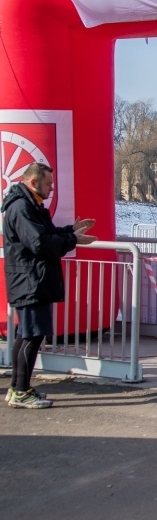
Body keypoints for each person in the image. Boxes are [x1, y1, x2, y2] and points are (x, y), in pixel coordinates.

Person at [2, 162, 97, 409]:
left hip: (32, 278)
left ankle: (18, 388)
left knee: (27, 335)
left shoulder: (30, 205)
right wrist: (72, 239)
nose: (51, 188)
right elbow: (39, 244)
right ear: (33, 183)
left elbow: (47, 234)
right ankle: (21, 390)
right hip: (30, 280)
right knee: (32, 335)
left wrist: (70, 231)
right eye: (48, 184)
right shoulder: (22, 207)